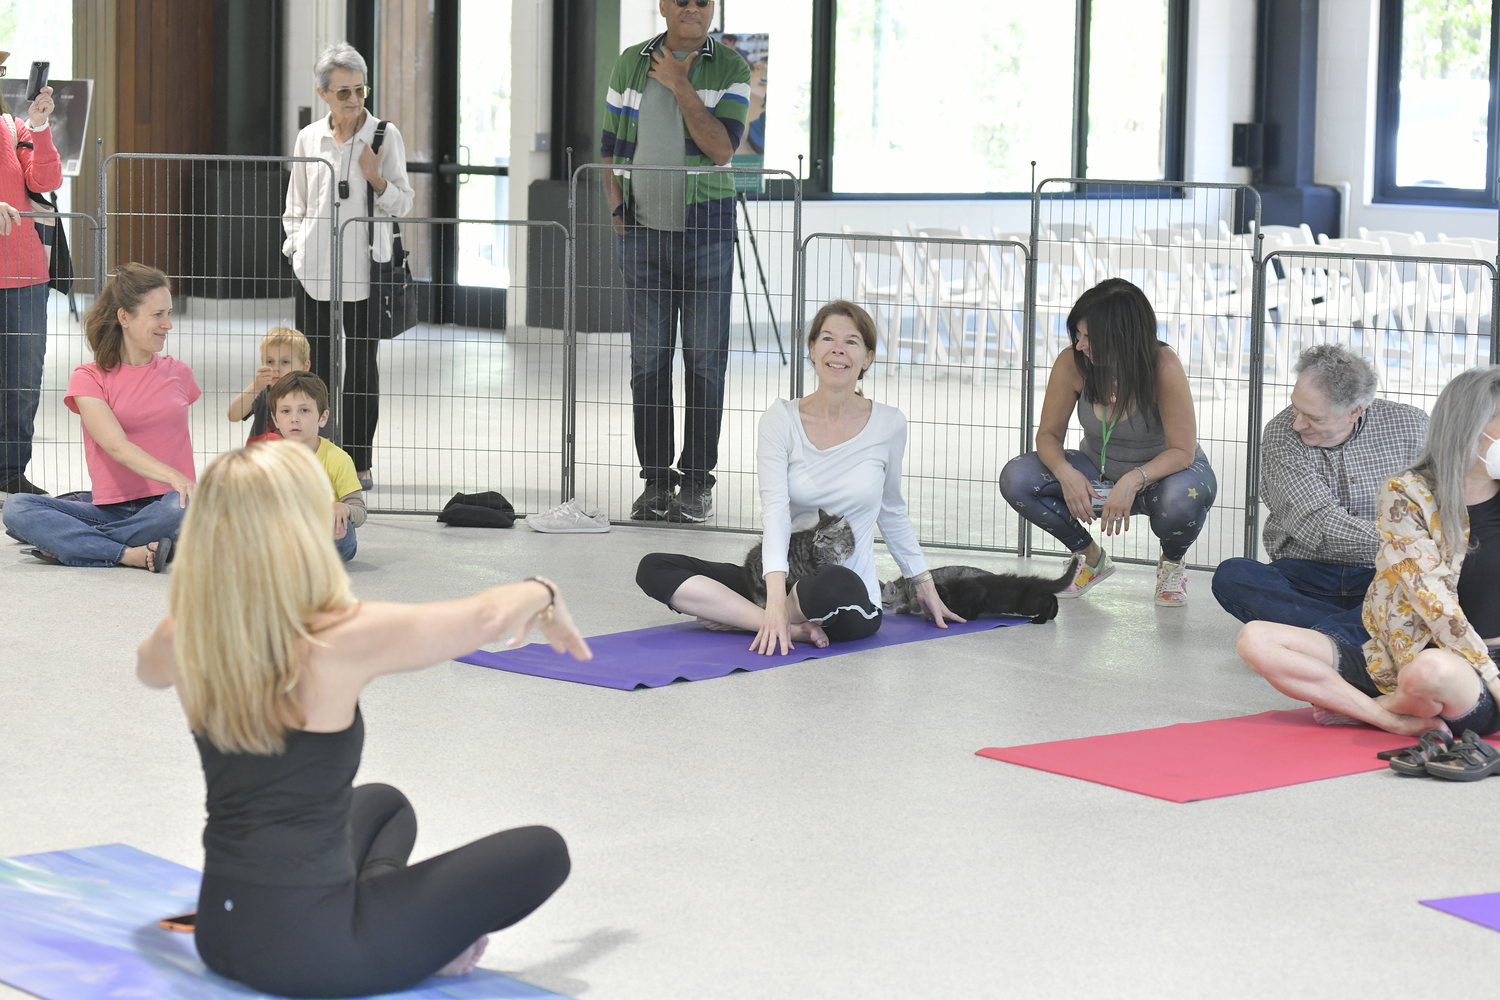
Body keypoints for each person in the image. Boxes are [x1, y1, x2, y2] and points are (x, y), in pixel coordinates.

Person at [134, 440, 587, 997]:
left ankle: (390, 917)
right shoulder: (335, 637)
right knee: (543, 850)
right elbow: (490, 615)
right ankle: (417, 942)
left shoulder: (181, 635)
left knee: (384, 803)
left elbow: (148, 673)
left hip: (222, 932)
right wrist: (543, 589)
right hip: (318, 956)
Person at [636, 300, 962, 653]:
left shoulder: (889, 424)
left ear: (867, 357)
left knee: (831, 583)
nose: (838, 348)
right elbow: (775, 509)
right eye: (827, 338)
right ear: (811, 349)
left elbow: (892, 509)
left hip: (845, 596)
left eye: (851, 341)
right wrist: (775, 597)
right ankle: (783, 624)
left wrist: (923, 582)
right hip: (784, 579)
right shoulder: (781, 419)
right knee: (654, 567)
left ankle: (750, 617)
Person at [1237, 367, 1500, 739]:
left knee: (1430, 672)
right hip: (1406, 642)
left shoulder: (1403, 422)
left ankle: (1376, 704)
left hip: (1449, 662)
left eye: (1314, 416)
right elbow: (1432, 598)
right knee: (1255, 637)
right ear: (1470, 428)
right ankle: (1389, 717)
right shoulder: (1408, 492)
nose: (1300, 424)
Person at [599, 0, 752, 523]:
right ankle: (657, 482)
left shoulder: (731, 66)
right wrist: (615, 201)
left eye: (702, 2)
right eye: (682, 0)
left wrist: (681, 85)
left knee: (705, 361)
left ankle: (698, 482)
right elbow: (611, 143)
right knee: (649, 361)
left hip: (706, 232)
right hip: (642, 232)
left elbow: (721, 149)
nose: (692, 9)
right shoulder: (629, 62)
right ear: (663, 5)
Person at [999, 278, 1217, 606]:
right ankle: (1090, 558)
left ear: (1122, 337)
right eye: (1077, 335)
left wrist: (1133, 479)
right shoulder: (1072, 362)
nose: (1080, 345)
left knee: (1180, 502)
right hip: (1098, 471)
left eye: (1090, 337)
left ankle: (1172, 564)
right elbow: (1047, 435)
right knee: (1017, 478)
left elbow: (1183, 451)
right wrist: (1065, 473)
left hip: (1165, 473)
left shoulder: (1163, 365)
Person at [1212, 345, 1427, 631]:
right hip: (1306, 572)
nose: (1298, 423)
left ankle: (1322, 633)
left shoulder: (1413, 426)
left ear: (1355, 411)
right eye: (1295, 407)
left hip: (1385, 572)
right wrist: (1405, 542)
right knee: (1233, 576)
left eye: (1315, 417)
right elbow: (1317, 525)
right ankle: (1358, 633)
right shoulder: (1281, 432)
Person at [2, 264, 197, 570]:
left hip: (168, 504)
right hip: (110, 508)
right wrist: (172, 473)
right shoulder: (89, 378)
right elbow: (116, 445)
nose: (168, 324)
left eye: (169, 313)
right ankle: (128, 553)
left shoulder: (179, 373)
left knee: (181, 510)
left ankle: (74, 542)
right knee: (16, 508)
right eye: (158, 315)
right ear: (124, 317)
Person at [283, 41, 414, 492]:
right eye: (344, 93)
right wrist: (294, 247)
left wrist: (376, 178)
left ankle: (358, 460)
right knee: (314, 370)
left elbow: (404, 204)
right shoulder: (308, 137)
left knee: (360, 367)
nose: (355, 100)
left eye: (360, 90)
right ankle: (315, 455)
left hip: (366, 269)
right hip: (313, 270)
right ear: (323, 94)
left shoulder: (383, 136)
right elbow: (295, 203)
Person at [0, 51, 60, 498]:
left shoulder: (13, 128)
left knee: (22, 382)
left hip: (24, 275)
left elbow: (45, 181)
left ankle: (9, 474)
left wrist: (38, 126)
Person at [267, 370, 365, 562]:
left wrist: (344, 509)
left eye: (304, 410)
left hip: (324, 532)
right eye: (286, 411)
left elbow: (360, 512)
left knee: (340, 532)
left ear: (323, 417)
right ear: (276, 419)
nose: (294, 418)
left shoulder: (338, 459)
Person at [227, 326, 332, 443]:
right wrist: (255, 387)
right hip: (260, 458)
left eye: (285, 362)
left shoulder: (312, 398)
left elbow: (323, 443)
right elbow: (233, 415)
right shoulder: (262, 391)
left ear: (305, 366)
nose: (276, 368)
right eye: (270, 362)